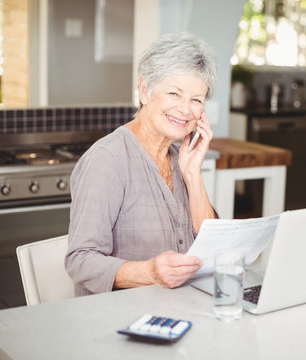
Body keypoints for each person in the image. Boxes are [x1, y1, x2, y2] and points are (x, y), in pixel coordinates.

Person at [65, 32, 218, 296]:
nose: (184, 109)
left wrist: (193, 175)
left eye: (196, 100)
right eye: (174, 93)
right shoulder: (107, 160)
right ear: (145, 90)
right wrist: (150, 273)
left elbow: (213, 245)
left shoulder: (180, 157)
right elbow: (80, 261)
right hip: (118, 319)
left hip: (180, 309)